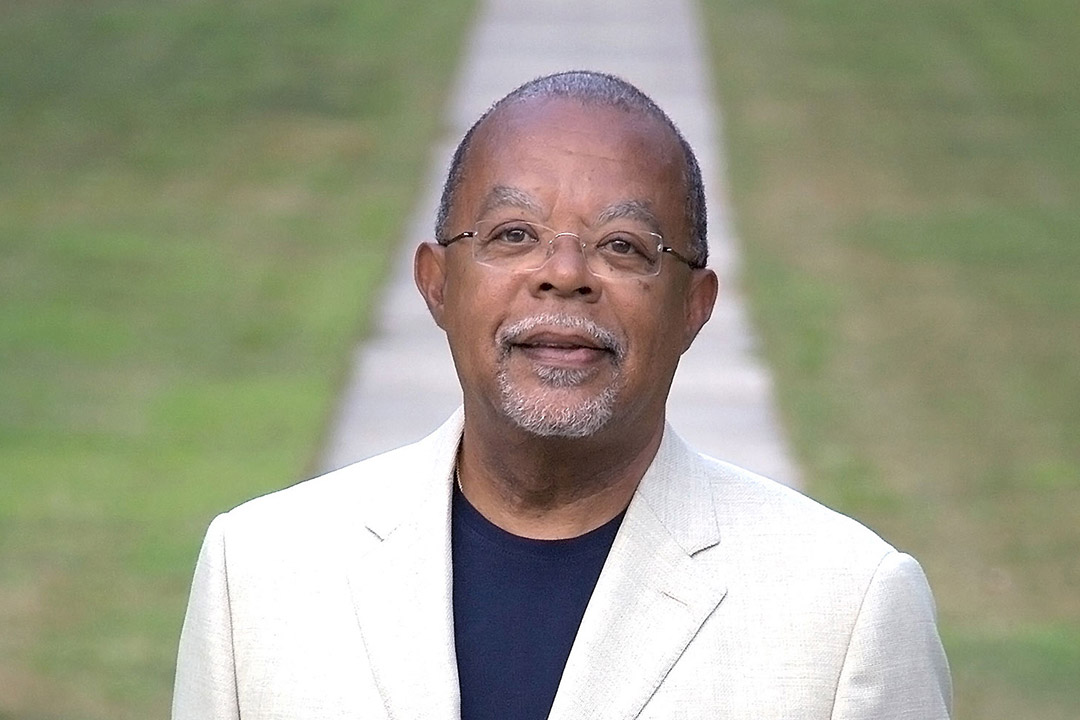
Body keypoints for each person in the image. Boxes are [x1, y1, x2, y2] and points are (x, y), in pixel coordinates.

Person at [172, 70, 951, 720]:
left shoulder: (848, 608)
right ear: (436, 284)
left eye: (624, 246)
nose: (565, 272)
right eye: (513, 234)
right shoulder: (261, 572)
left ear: (694, 307)